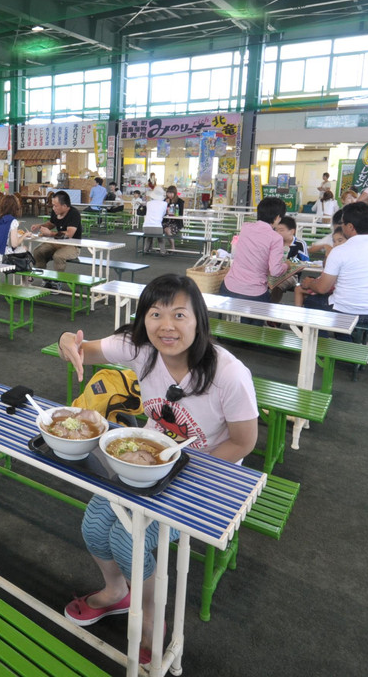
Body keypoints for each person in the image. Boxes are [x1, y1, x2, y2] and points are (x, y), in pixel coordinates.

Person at [55, 274, 258, 665]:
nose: (167, 325)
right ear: (143, 320)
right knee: (95, 527)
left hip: (206, 472)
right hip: (144, 461)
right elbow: (82, 348)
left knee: (128, 541)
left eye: (179, 314)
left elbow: (243, 442)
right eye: (155, 313)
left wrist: (182, 472)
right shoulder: (141, 349)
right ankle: (117, 592)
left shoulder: (229, 375)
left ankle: (151, 614)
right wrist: (69, 342)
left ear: (199, 320)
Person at [297, 201, 368, 323]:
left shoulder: (340, 251)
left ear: (350, 227)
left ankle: (321, 340)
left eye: (342, 223)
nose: (341, 226)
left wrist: (310, 283)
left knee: (311, 301)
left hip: (345, 310)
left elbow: (322, 288)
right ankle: (344, 337)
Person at [220, 196, 290, 306]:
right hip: (254, 294)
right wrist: (286, 265)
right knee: (256, 318)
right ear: (277, 218)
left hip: (229, 287)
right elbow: (275, 271)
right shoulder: (275, 238)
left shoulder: (245, 227)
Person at [30, 190, 83, 273]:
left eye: (55, 206)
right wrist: (40, 226)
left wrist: (50, 234)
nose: (53, 208)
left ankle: (58, 281)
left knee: (58, 256)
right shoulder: (55, 212)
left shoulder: (74, 214)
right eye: (53, 205)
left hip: (73, 245)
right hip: (57, 242)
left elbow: (69, 234)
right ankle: (41, 274)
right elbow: (51, 224)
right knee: (38, 252)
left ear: (65, 206)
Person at [294, 228, 346, 307]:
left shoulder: (343, 256)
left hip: (332, 290)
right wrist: (327, 256)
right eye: (334, 241)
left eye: (340, 240)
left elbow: (324, 286)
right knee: (299, 288)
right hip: (328, 285)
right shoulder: (334, 253)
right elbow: (325, 266)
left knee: (301, 289)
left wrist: (311, 283)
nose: (336, 244)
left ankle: (299, 314)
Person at [0, 193, 26, 263]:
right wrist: (24, 235)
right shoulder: (13, 221)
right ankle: (20, 271)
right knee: (25, 249)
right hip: (2, 256)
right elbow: (14, 244)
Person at [139, 187, 168, 254]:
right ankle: (163, 251)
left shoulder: (149, 203)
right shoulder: (164, 204)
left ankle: (146, 249)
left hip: (145, 227)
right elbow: (163, 214)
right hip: (157, 228)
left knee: (149, 236)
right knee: (160, 237)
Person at [162, 185, 185, 249]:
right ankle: (161, 248)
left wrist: (171, 210)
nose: (170, 195)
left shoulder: (180, 201)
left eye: (172, 193)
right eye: (168, 193)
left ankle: (172, 246)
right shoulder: (165, 200)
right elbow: (162, 212)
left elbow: (180, 214)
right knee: (158, 229)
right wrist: (165, 204)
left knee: (167, 230)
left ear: (175, 193)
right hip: (166, 221)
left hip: (176, 222)